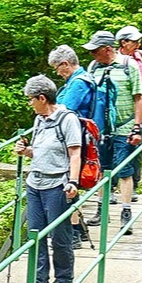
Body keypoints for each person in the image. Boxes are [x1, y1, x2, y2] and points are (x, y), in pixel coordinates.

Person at [13, 76, 83, 283]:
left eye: (31, 99)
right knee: (35, 233)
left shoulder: (67, 119)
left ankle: (64, 278)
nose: (29, 104)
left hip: (57, 184)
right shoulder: (39, 120)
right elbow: (41, 150)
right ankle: (39, 279)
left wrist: (73, 181)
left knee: (59, 233)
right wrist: (26, 151)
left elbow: (74, 152)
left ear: (42, 98)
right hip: (35, 182)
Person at [83, 30, 142, 228]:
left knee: (124, 170)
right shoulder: (94, 67)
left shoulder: (130, 66)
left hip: (125, 127)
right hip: (101, 129)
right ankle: (101, 211)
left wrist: (137, 127)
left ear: (107, 49)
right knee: (101, 169)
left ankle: (126, 211)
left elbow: (139, 98)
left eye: (95, 51)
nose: (92, 54)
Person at [49, 45, 96, 247]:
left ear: (65, 64)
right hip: (76, 137)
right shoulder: (81, 80)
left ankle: (74, 233)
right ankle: (78, 230)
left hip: (73, 139)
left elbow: (63, 110)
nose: (57, 73)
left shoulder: (78, 84)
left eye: (57, 68)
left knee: (69, 182)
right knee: (69, 182)